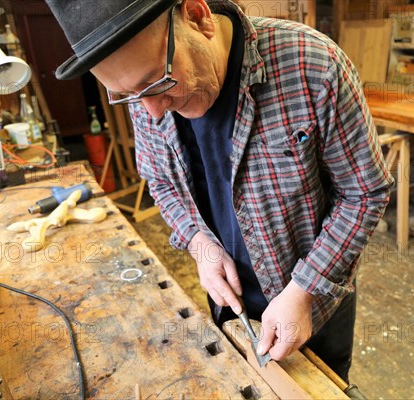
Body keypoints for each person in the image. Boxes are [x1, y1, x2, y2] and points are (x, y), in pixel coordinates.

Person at [46, 0, 393, 382]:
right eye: (128, 94)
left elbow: (364, 193)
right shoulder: (145, 92)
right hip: (231, 299)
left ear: (198, 17)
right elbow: (161, 182)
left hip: (316, 299)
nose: (153, 111)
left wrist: (303, 291)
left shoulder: (313, 64)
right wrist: (199, 244)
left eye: (156, 82)